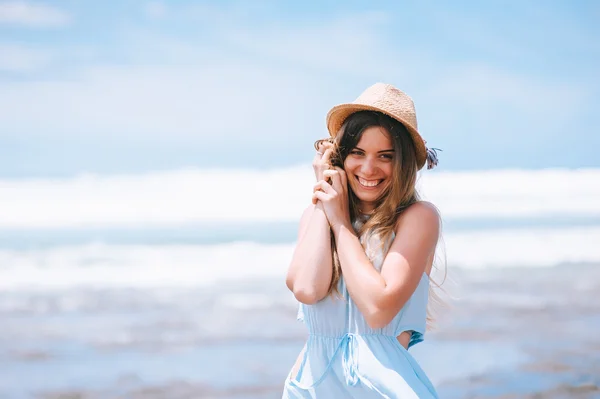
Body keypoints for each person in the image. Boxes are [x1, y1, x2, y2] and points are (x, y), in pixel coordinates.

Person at [282, 83, 444, 398]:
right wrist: (324, 197)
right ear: (338, 156)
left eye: (385, 156)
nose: (369, 168)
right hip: (311, 389)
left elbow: (378, 308)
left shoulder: (417, 218)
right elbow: (307, 288)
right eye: (357, 153)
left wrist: (341, 224)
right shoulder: (314, 217)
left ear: (403, 163)